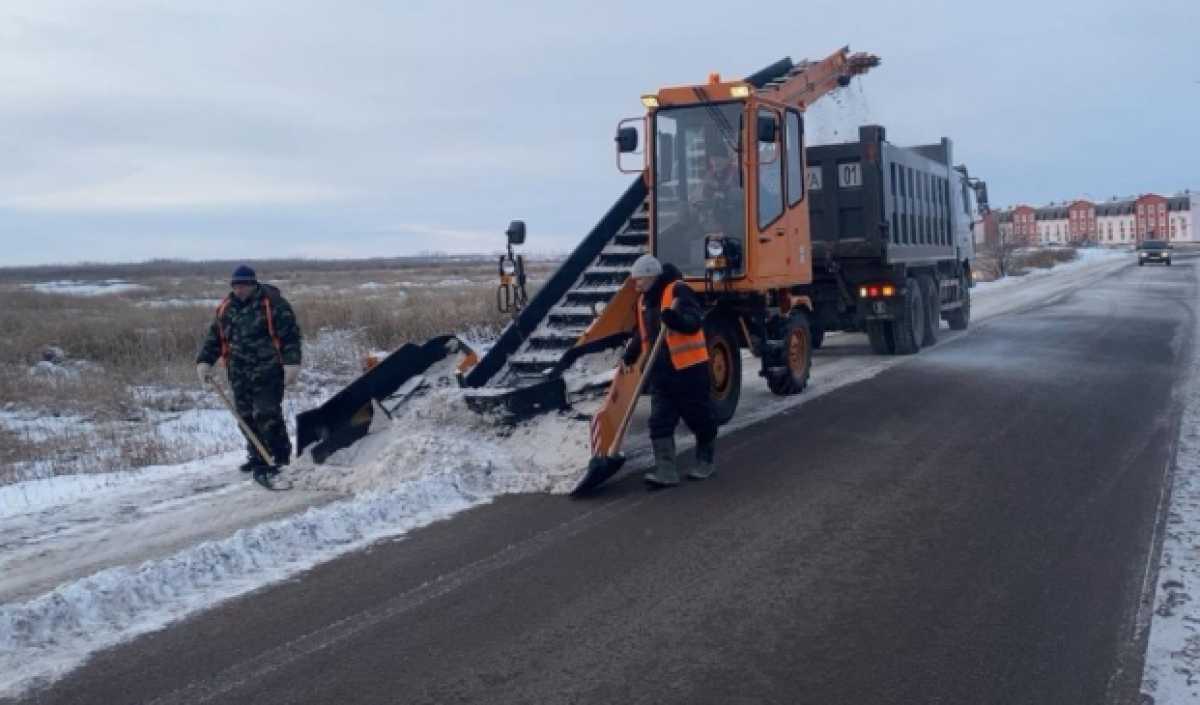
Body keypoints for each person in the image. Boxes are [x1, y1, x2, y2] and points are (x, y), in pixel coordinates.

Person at [196, 265, 302, 474]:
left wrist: (292, 364)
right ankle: (259, 456)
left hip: (268, 371)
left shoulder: (274, 305)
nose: (239, 289)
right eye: (236, 285)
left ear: (253, 284)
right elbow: (215, 339)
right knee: (245, 416)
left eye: (243, 285)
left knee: (266, 413)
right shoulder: (227, 308)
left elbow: (290, 337)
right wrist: (204, 362)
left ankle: (280, 457)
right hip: (238, 373)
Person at [622, 254, 717, 487]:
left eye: (640, 280)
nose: (636, 284)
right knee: (659, 421)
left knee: (699, 418)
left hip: (689, 370)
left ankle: (705, 462)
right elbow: (643, 332)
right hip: (661, 371)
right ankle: (666, 470)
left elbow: (694, 322)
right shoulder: (644, 301)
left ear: (652, 276)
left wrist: (675, 319)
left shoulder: (678, 291)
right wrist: (631, 353)